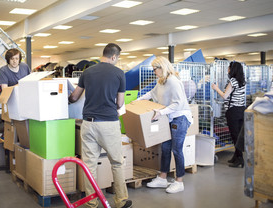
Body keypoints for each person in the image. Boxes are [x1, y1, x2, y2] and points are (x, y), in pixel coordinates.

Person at [69, 43, 132, 208]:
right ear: (114, 57)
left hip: (88, 124)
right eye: (117, 58)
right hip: (108, 124)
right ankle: (120, 200)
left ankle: (91, 202)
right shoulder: (119, 74)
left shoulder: (87, 72)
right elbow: (119, 103)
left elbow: (74, 97)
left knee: (89, 164)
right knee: (117, 162)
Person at [136, 56, 192, 194]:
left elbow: (178, 103)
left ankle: (179, 181)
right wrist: (138, 100)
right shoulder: (161, 81)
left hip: (180, 117)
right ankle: (163, 178)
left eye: (155, 69)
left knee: (176, 149)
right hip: (169, 117)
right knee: (165, 148)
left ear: (162, 67)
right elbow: (152, 93)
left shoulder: (173, 81)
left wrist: (161, 112)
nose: (154, 71)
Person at [212, 61, 246, 168]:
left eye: (229, 68)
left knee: (234, 135)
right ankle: (236, 157)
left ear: (233, 69)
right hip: (241, 110)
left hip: (233, 111)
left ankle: (240, 158)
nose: (227, 69)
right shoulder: (243, 81)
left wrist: (216, 88)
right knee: (238, 135)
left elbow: (225, 96)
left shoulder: (232, 81)